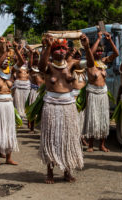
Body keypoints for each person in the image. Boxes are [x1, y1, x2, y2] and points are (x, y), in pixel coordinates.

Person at [38, 35, 84, 184]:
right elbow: (40, 67)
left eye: (63, 48)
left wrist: (87, 47)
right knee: (51, 139)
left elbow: (88, 63)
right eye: (57, 49)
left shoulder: (71, 65)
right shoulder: (49, 66)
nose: (60, 51)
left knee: (68, 138)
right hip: (51, 105)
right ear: (52, 52)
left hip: (68, 105)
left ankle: (67, 171)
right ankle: (50, 172)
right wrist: (46, 47)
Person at [83, 31, 119, 152]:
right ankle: (91, 144)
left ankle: (102, 144)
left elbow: (116, 53)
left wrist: (109, 40)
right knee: (93, 117)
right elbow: (90, 53)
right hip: (93, 93)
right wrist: (98, 39)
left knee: (104, 118)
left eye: (100, 50)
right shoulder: (89, 63)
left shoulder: (103, 61)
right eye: (97, 51)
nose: (99, 52)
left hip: (103, 93)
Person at [0, 43, 19, 167]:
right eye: (4, 61)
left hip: (8, 104)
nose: (6, 62)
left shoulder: (11, 73)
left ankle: (9, 157)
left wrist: (16, 50)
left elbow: (21, 63)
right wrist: (6, 52)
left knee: (9, 130)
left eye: (8, 61)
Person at [26, 46, 44, 133]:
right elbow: (30, 63)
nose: (37, 59)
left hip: (41, 91)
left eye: (38, 57)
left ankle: (41, 128)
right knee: (33, 109)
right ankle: (32, 128)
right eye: (35, 57)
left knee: (42, 110)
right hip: (34, 91)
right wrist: (31, 54)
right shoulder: (31, 68)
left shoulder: (43, 69)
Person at [12, 42, 31, 119]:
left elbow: (30, 56)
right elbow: (17, 58)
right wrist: (19, 49)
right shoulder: (17, 64)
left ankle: (25, 114)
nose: (23, 57)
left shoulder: (28, 64)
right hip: (18, 85)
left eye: (24, 56)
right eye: (22, 55)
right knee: (18, 103)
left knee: (26, 101)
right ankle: (18, 117)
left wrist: (27, 50)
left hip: (26, 85)